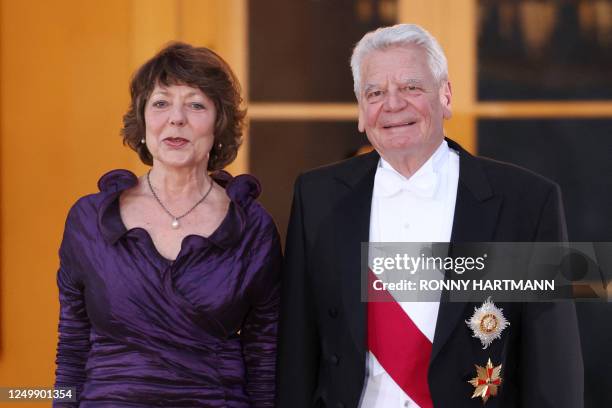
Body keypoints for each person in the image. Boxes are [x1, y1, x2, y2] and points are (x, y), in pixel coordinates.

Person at [276, 24, 583, 408]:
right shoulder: (316, 196)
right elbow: (297, 352)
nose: (392, 104)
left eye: (411, 87)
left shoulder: (525, 203)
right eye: (375, 92)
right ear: (360, 111)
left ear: (446, 96)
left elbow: (555, 368)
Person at [54, 42, 281, 407]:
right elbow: (72, 346)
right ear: (142, 121)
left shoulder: (252, 228)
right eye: (160, 103)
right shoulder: (89, 220)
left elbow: (264, 358)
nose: (176, 118)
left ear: (218, 124)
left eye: (195, 104)